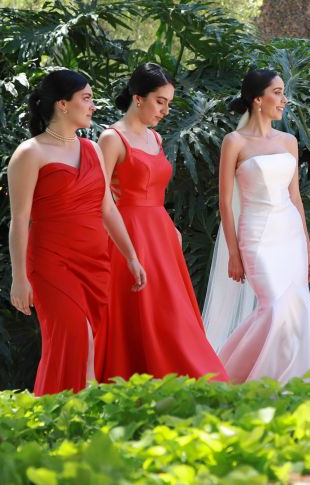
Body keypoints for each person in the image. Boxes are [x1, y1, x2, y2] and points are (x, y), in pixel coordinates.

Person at [8, 69, 146, 396]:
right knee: (75, 341)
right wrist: (19, 277)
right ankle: (68, 420)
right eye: (86, 98)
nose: (93, 106)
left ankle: (71, 421)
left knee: (88, 350)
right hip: (52, 264)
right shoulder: (30, 153)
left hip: (95, 263)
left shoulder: (92, 149)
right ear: (62, 105)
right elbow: (19, 218)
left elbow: (107, 208)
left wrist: (131, 256)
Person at [202, 68, 310, 384]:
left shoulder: (289, 141)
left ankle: (302, 380)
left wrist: (307, 248)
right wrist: (233, 253)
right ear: (257, 99)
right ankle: (231, 376)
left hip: (289, 235)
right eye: (277, 92)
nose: (284, 99)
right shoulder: (233, 142)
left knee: (295, 308)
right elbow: (225, 202)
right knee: (274, 309)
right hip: (257, 236)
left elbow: (295, 198)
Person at [97, 63, 229, 382]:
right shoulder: (111, 138)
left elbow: (156, 194)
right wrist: (129, 252)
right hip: (128, 235)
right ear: (138, 97)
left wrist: (171, 228)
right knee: (141, 315)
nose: (166, 110)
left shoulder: (156, 139)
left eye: (169, 103)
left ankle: (191, 381)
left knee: (172, 315)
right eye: (160, 101)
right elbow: (100, 201)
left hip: (162, 237)